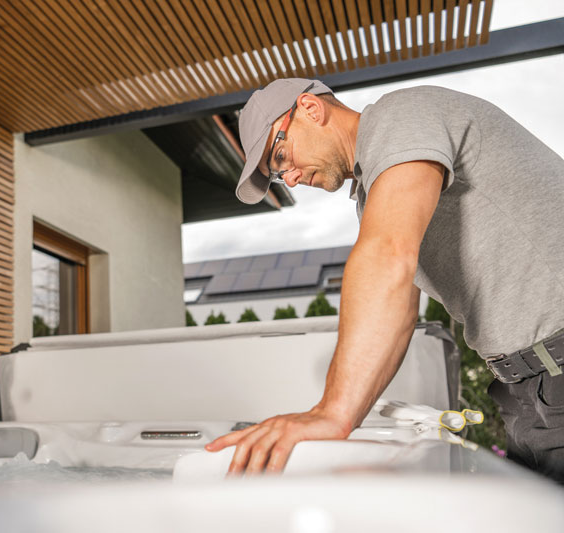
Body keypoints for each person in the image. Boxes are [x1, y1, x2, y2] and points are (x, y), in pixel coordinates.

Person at [204, 78, 564, 482]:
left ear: (310, 108)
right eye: (276, 173)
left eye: (281, 154)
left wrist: (332, 413)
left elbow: (387, 254)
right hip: (530, 390)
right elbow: (397, 313)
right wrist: (343, 419)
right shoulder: (374, 192)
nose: (288, 178)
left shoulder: (401, 115)